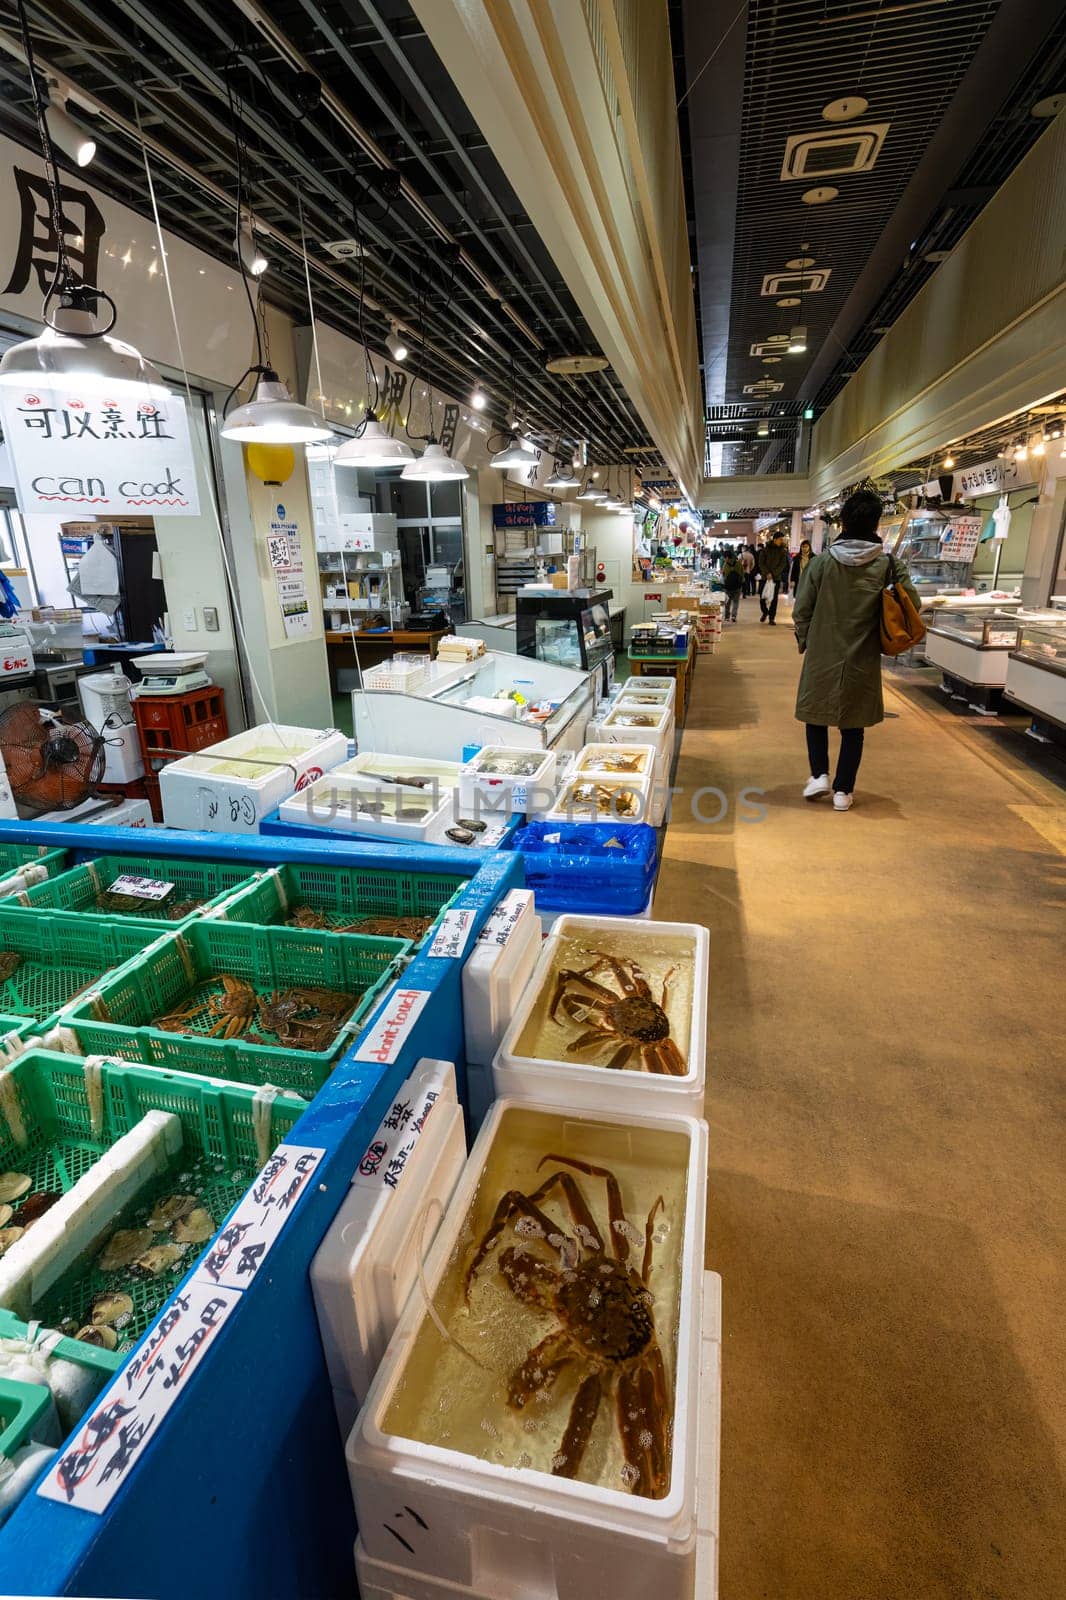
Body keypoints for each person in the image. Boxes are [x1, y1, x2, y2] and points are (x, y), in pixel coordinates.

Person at [793, 488, 919, 811]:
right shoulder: (888, 566)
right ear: (876, 524)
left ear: (844, 522)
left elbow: (802, 609)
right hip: (862, 655)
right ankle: (842, 791)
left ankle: (819, 773)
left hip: (822, 652)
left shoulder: (821, 564)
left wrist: (805, 639)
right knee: (853, 727)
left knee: (816, 716)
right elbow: (912, 605)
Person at [757, 532, 789, 624]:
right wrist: (767, 573)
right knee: (762, 597)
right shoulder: (765, 550)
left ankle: (772, 618)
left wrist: (773, 574)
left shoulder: (783, 551)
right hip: (764, 577)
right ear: (775, 539)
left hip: (776, 578)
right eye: (780, 539)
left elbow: (782, 565)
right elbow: (761, 563)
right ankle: (765, 612)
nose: (782, 541)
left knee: (774, 599)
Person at [721, 548, 743, 622]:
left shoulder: (725, 565)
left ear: (727, 557)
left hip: (728, 587)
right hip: (737, 586)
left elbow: (723, 576)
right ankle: (734, 616)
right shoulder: (739, 563)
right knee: (736, 602)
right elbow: (742, 574)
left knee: (728, 602)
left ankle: (727, 617)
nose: (724, 559)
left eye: (724, 558)